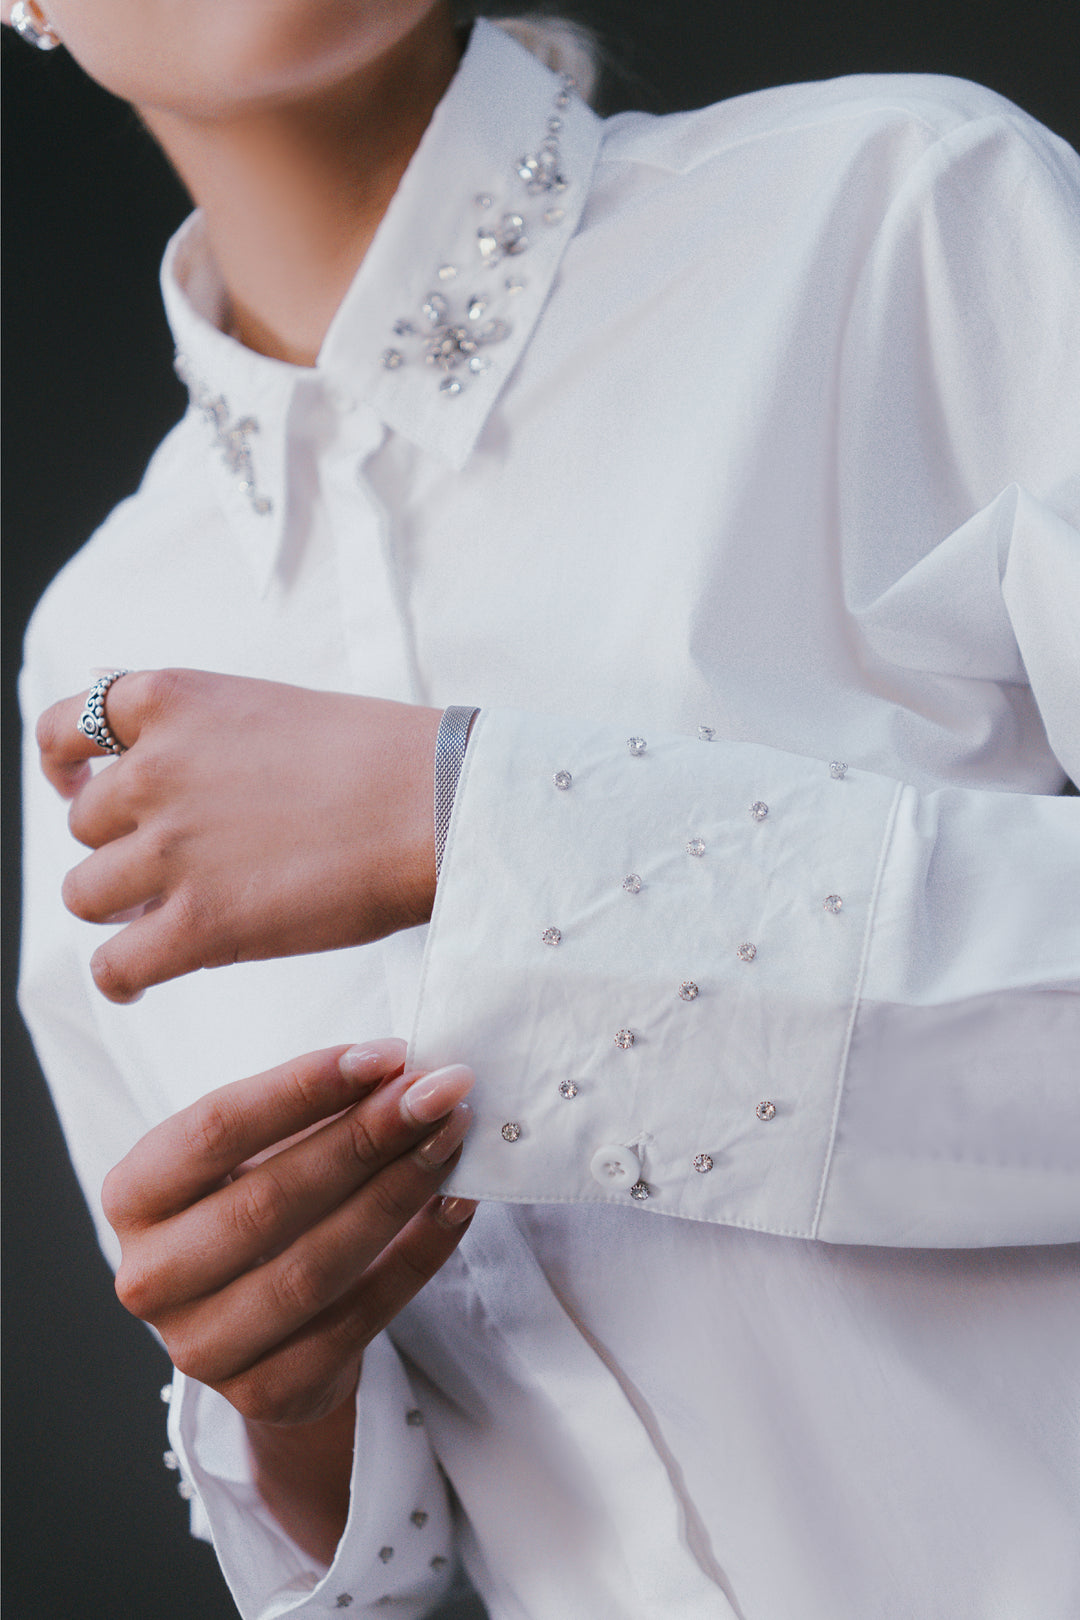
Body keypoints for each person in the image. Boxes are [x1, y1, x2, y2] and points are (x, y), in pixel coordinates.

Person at [13, 0, 1080, 1615]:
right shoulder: (94, 648)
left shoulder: (906, 213)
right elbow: (421, 1562)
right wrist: (284, 1419)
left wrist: (475, 819)